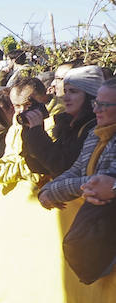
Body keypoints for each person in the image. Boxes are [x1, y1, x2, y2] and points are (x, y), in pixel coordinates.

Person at [38, 79, 116, 209]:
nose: (96, 110)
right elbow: (77, 169)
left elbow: (100, 182)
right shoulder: (95, 133)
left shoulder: (89, 129)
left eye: (104, 105)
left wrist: (53, 192)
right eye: (96, 103)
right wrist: (46, 189)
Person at [21, 67, 106, 179]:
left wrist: (37, 132)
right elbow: (39, 166)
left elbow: (61, 166)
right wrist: (30, 129)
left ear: (90, 95)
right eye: (65, 91)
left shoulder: (95, 128)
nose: (66, 98)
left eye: (73, 91)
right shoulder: (68, 125)